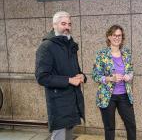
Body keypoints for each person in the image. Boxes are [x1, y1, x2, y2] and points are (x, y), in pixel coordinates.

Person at [35, 11, 86, 140]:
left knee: (68, 136)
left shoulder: (70, 45)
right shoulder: (46, 47)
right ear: (54, 25)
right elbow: (42, 77)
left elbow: (75, 70)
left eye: (69, 24)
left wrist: (82, 76)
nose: (67, 27)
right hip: (58, 102)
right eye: (63, 24)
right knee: (59, 136)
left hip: (72, 100)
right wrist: (69, 80)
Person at [92, 25, 136, 140]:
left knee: (131, 125)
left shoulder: (126, 53)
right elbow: (96, 76)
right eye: (114, 35)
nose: (117, 37)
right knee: (110, 127)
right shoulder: (101, 54)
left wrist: (128, 76)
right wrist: (111, 78)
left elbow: (131, 71)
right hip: (107, 97)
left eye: (119, 35)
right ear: (109, 37)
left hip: (124, 96)